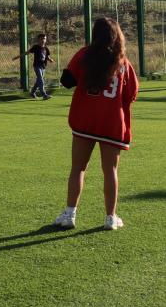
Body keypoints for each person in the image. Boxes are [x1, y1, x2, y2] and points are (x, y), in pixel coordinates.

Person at [54, 17, 139, 231]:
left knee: (78, 168)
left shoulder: (84, 54)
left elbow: (66, 81)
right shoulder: (123, 62)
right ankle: (110, 218)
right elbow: (132, 94)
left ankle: (70, 214)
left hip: (85, 120)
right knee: (110, 171)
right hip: (111, 123)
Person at [16, 32, 54, 99]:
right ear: (38, 40)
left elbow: (46, 56)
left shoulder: (46, 48)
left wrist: (50, 59)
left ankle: (32, 92)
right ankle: (44, 94)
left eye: (44, 39)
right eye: (41, 39)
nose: (43, 40)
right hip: (37, 66)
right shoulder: (35, 47)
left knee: (38, 80)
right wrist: (19, 56)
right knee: (40, 79)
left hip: (43, 66)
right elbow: (27, 52)